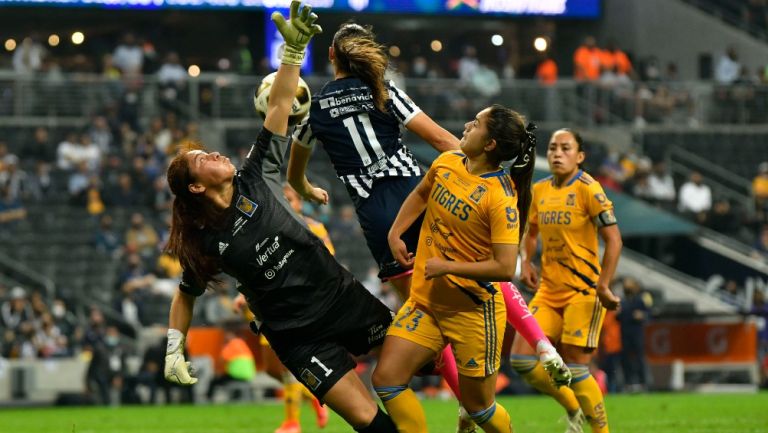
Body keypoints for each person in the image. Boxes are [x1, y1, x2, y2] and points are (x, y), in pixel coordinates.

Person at [287, 22, 568, 433]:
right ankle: (540, 342)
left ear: (331, 56)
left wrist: (306, 189)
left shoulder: (315, 107)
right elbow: (440, 139)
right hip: (416, 188)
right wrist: (480, 172)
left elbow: (296, 168)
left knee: (426, 300)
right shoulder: (383, 89)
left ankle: (465, 406)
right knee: (476, 271)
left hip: (379, 216)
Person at [163, 4, 398, 433]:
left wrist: (292, 53)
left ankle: (473, 409)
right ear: (195, 187)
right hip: (297, 337)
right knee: (369, 421)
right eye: (203, 159)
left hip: (342, 300)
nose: (215, 153)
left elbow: (280, 106)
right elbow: (186, 293)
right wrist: (173, 348)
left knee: (428, 360)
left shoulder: (257, 172)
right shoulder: (203, 239)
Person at [371, 105, 571, 433]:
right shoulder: (448, 161)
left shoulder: (501, 198)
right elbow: (422, 193)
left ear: (490, 144)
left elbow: (506, 268)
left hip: (474, 315)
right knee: (387, 380)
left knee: (479, 410)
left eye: (476, 123)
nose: (466, 125)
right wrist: (395, 232)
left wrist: (446, 266)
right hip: (427, 303)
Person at [510, 129, 622, 433]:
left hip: (583, 292)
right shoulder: (540, 189)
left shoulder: (589, 189)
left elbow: (614, 240)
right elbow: (530, 231)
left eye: (566, 148)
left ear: (580, 156)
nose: (558, 153)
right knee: (522, 361)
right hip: (548, 290)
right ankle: (573, 407)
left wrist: (604, 284)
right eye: (553, 148)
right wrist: (527, 262)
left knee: (576, 366)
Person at [234, 183, 332, 433]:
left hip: (300, 303)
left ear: (299, 201)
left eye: (289, 199)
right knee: (271, 368)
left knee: (289, 366)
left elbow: (327, 261)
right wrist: (245, 294)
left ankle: (292, 422)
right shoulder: (270, 227)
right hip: (270, 303)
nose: (285, 203)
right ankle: (314, 395)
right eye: (282, 199)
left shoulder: (314, 227)